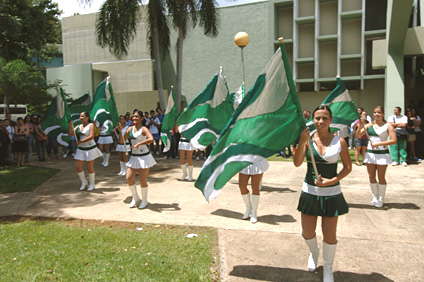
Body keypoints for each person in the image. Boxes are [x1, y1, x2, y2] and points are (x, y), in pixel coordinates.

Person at [293, 105, 352, 282]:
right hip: (310, 192)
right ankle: (313, 252)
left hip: (332, 193)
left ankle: (328, 268)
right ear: (313, 119)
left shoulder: (339, 141)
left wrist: (331, 181)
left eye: (324, 118)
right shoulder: (308, 139)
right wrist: (302, 141)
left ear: (331, 120)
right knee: (308, 232)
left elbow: (347, 167)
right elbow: (297, 163)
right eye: (317, 118)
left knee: (330, 235)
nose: (320, 121)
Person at [357, 106, 396, 208]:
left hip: (382, 153)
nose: (376, 114)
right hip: (370, 154)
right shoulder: (369, 125)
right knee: (371, 176)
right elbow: (358, 135)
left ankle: (381, 198)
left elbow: (393, 140)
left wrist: (379, 144)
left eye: (379, 112)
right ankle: (375, 197)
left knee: (381, 176)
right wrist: (361, 126)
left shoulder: (388, 126)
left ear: (383, 114)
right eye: (375, 112)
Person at [124, 110, 156, 209]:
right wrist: (122, 131)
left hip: (144, 157)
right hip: (134, 156)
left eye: (137, 117)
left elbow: (151, 139)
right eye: (133, 116)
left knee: (142, 180)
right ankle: (136, 198)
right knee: (129, 178)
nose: (134, 118)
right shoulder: (130, 129)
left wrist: (139, 143)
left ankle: (145, 200)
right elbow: (122, 140)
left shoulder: (144, 129)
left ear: (142, 118)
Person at [68, 112, 103, 191]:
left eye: (83, 116)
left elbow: (91, 136)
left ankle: (92, 183)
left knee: (89, 166)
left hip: (90, 147)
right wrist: (70, 126)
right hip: (82, 148)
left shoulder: (91, 125)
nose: (81, 118)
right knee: (78, 166)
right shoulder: (78, 126)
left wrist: (81, 142)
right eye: (80, 116)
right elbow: (70, 134)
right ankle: (84, 182)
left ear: (87, 117)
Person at [239, 159, 269, 223]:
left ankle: (254, 212)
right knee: (242, 186)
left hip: (257, 161)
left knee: (255, 187)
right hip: (245, 160)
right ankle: (248, 208)